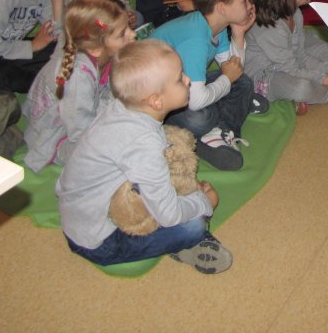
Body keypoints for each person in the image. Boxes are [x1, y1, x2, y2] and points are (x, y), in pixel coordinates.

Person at [56, 39, 233, 273]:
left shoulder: (122, 108)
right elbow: (169, 215)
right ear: (155, 101)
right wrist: (204, 202)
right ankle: (184, 244)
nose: (188, 79)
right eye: (180, 78)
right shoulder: (143, 143)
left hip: (80, 212)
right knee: (194, 226)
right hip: (99, 240)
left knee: (167, 165)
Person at [151, 0, 258, 171]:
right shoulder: (196, 40)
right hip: (158, 100)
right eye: (244, 0)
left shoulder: (217, 26)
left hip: (185, 86)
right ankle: (209, 132)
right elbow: (197, 101)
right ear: (222, 8)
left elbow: (235, 70)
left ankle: (218, 133)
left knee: (244, 83)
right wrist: (226, 80)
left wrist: (238, 34)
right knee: (200, 119)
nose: (250, 5)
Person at [23, 0, 136, 173]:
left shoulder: (106, 56)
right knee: (116, 155)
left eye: (128, 27)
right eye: (122, 34)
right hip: (56, 139)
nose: (133, 34)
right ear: (96, 47)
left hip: (84, 121)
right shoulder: (77, 76)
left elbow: (107, 97)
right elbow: (80, 131)